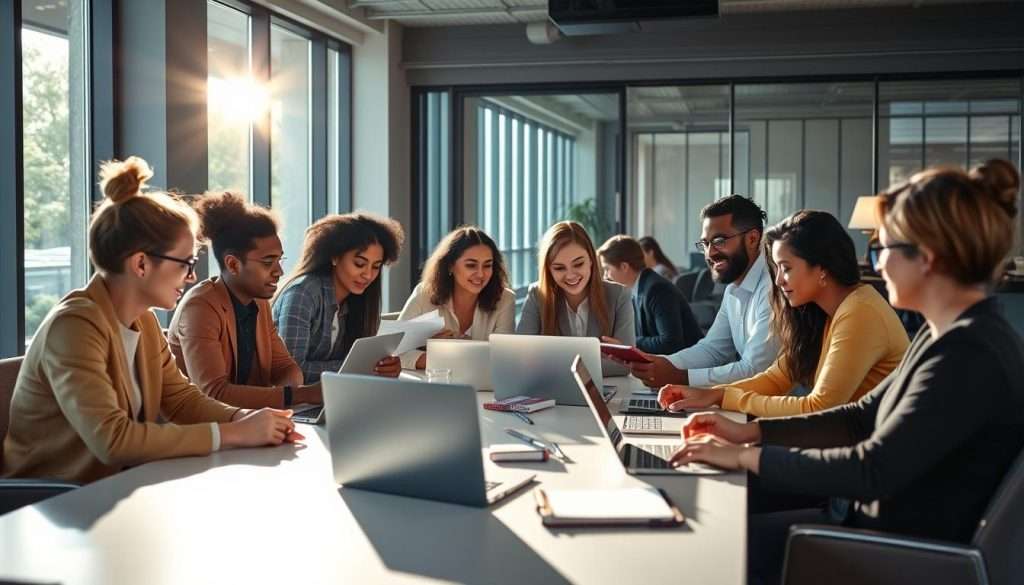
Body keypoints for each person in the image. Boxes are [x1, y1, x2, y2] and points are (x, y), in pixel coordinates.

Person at [668, 160, 1024, 585]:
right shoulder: (944, 335)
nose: (877, 265)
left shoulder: (969, 353)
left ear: (927, 258)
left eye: (883, 249)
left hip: (891, 549)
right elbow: (858, 416)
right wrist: (749, 433)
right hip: (871, 526)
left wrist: (747, 455)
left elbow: (872, 469)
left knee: (717, 545)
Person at [2, 157, 302, 485]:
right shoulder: (74, 327)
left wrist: (245, 417)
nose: (190, 277)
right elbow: (112, 441)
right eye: (185, 264)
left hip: (111, 490)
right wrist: (232, 433)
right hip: (47, 505)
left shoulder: (142, 322)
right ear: (141, 264)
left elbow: (181, 400)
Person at [657, 211, 909, 417]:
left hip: (870, 461)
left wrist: (723, 398)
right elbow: (775, 378)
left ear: (822, 268)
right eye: (776, 268)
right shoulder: (820, 313)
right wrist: (711, 394)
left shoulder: (860, 311)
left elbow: (818, 408)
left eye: (786, 268)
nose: (777, 280)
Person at [168, 191, 321, 410]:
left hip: (246, 422)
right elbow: (214, 393)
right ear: (232, 265)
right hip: (200, 431)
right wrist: (295, 396)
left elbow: (286, 368)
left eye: (279, 260)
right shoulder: (200, 307)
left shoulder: (258, 303)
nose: (279, 271)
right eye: (268, 262)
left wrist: (281, 397)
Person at [619, 195, 778, 387]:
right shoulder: (733, 288)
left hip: (779, 410)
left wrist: (679, 376)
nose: (709, 253)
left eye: (719, 240)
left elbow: (755, 370)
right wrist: (659, 364)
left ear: (752, 239)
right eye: (705, 244)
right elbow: (713, 350)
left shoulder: (774, 287)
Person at [272, 212, 404, 383]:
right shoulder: (302, 294)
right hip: (292, 405)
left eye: (376, 267)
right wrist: (360, 367)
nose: (368, 275)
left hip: (331, 399)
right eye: (359, 264)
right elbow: (293, 371)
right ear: (334, 257)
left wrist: (385, 366)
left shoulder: (356, 301)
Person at [397, 226, 515, 369]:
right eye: (471, 265)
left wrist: (447, 352)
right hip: (434, 384)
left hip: (484, 388)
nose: (481, 274)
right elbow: (394, 352)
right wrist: (435, 355)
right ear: (450, 266)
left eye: (487, 265)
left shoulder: (505, 299)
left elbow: (503, 357)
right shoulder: (425, 294)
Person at [516, 221, 635, 347]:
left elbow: (627, 363)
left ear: (591, 259)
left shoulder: (619, 296)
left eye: (578, 264)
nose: (571, 275)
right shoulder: (537, 295)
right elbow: (520, 353)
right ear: (549, 270)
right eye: (559, 268)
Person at [597, 234, 701, 354]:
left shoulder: (656, 290)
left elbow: (671, 343)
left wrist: (628, 343)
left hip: (689, 365)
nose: (605, 276)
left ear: (624, 267)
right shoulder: (635, 289)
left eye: (607, 269)